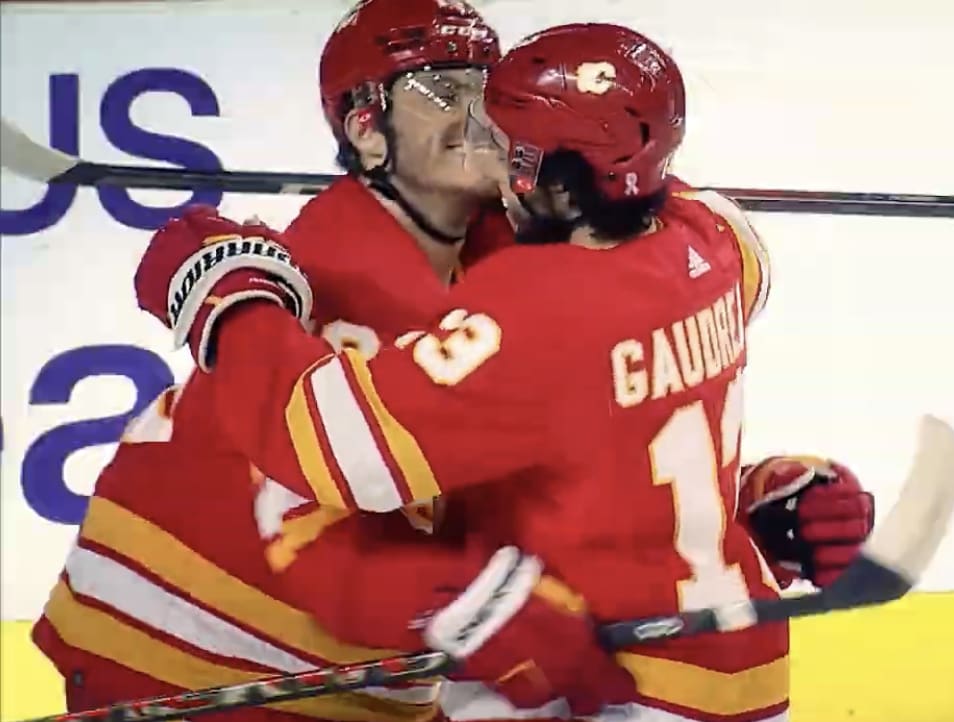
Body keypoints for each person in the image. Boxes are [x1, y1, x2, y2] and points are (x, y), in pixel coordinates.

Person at [134, 22, 875, 722]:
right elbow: (629, 423)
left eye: (512, 148)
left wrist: (224, 297)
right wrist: (758, 490)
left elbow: (326, 443)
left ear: (560, 179)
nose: (494, 160)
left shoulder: (531, 311)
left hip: (615, 678)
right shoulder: (717, 238)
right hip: (739, 657)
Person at [32, 1, 634, 718]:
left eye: (490, 87)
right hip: (183, 667)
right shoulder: (336, 283)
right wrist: (478, 605)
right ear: (365, 131)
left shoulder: (504, 263)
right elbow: (314, 535)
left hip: (332, 677)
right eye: (446, 90)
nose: (484, 113)